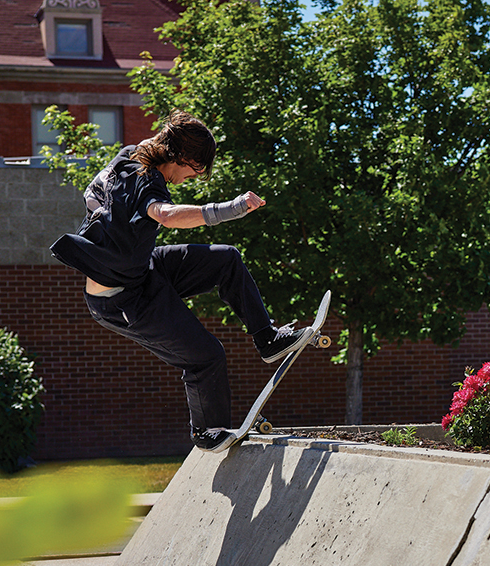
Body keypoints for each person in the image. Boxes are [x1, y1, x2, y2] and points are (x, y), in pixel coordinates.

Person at [50, 111, 308, 452]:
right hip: (122, 298)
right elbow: (166, 216)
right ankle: (207, 432)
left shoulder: (129, 156)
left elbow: (149, 149)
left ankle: (267, 339)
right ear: (183, 159)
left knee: (226, 259)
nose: (190, 178)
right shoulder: (150, 181)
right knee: (206, 356)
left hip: (141, 270)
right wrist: (229, 209)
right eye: (195, 170)